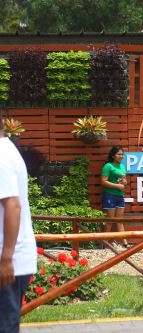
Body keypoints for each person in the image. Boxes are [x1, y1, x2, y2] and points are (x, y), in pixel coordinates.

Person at [0, 115, 37, 333]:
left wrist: (6, 259)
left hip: (7, 263)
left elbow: (13, 206)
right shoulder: (7, 151)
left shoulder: (1, 157)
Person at [101, 146, 129, 248]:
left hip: (120, 196)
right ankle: (105, 243)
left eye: (122, 154)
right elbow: (103, 182)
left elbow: (124, 181)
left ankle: (124, 243)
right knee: (110, 220)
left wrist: (124, 182)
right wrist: (117, 185)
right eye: (119, 154)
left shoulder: (122, 166)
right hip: (109, 195)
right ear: (113, 155)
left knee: (120, 220)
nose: (121, 156)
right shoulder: (108, 166)